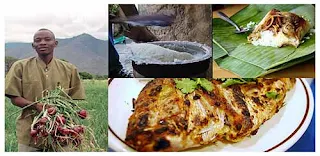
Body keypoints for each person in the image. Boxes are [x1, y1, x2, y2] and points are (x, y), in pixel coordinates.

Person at [5, 28, 86, 152]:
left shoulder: (69, 69)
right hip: (30, 134)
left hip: (61, 132)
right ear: (33, 45)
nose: (42, 42)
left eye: (47, 39)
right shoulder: (20, 66)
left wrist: (68, 118)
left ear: (55, 43)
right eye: (38, 40)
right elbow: (14, 97)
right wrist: (37, 106)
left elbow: (73, 101)